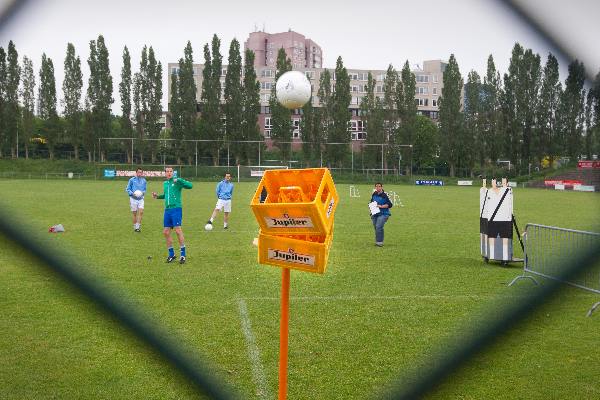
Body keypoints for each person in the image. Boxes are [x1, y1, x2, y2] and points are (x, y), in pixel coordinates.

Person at [152, 167, 193, 264]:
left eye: (171, 171)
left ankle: (183, 254)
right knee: (166, 232)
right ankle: (172, 254)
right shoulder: (165, 183)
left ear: (173, 173)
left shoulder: (177, 181)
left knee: (178, 231)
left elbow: (190, 186)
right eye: (167, 171)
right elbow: (166, 195)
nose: (169, 173)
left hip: (176, 209)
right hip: (167, 210)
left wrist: (179, 180)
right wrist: (157, 196)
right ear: (165, 173)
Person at [370, 182, 393, 247]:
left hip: (384, 214)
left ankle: (379, 242)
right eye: (376, 186)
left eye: (379, 186)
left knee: (378, 226)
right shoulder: (374, 194)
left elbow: (390, 205)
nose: (378, 188)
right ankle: (379, 241)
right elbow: (372, 202)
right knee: (377, 227)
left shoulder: (385, 195)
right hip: (375, 213)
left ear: (382, 187)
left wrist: (381, 206)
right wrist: (371, 209)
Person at [125, 167, 147, 232]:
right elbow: (127, 189)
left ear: (142, 173)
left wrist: (142, 193)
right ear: (136, 172)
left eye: (141, 172)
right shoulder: (131, 180)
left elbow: (144, 189)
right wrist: (132, 193)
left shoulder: (144, 181)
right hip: (133, 199)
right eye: (138, 172)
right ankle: (135, 226)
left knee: (141, 212)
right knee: (134, 213)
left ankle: (138, 227)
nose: (139, 173)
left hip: (141, 199)